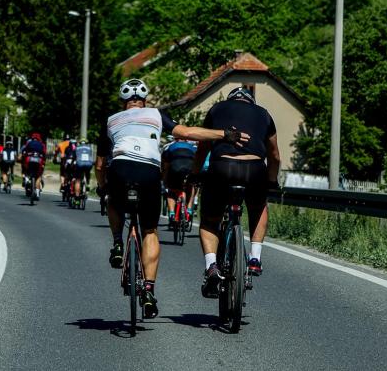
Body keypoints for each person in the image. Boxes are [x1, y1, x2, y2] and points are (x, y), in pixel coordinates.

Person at [96, 78, 249, 319]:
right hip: (148, 172)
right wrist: (224, 134)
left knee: (112, 200)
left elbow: (100, 164)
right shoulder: (156, 114)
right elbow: (187, 132)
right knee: (150, 231)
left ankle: (117, 242)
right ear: (144, 100)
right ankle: (148, 290)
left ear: (122, 101)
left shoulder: (111, 121)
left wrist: (102, 186)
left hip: (121, 169)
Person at [191, 86, 280, 299]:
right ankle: (255, 258)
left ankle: (212, 266)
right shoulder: (264, 114)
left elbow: (203, 147)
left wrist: (195, 174)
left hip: (221, 167)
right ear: (250, 101)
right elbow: (274, 155)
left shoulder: (216, 109)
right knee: (258, 207)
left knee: (210, 220)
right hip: (254, 169)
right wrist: (272, 180)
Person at [161, 137, 197, 225]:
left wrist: (165, 181)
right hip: (189, 168)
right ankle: (189, 210)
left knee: (171, 191)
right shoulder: (193, 147)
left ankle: (172, 213)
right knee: (190, 186)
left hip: (175, 168)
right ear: (186, 140)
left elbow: (165, 167)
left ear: (175, 139)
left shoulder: (170, 147)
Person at [22, 131, 47, 200]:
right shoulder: (42, 145)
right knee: (38, 176)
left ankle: (26, 179)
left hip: (29, 159)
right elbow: (44, 154)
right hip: (39, 160)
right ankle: (37, 193)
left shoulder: (29, 143)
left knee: (27, 169)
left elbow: (24, 152)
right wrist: (44, 163)